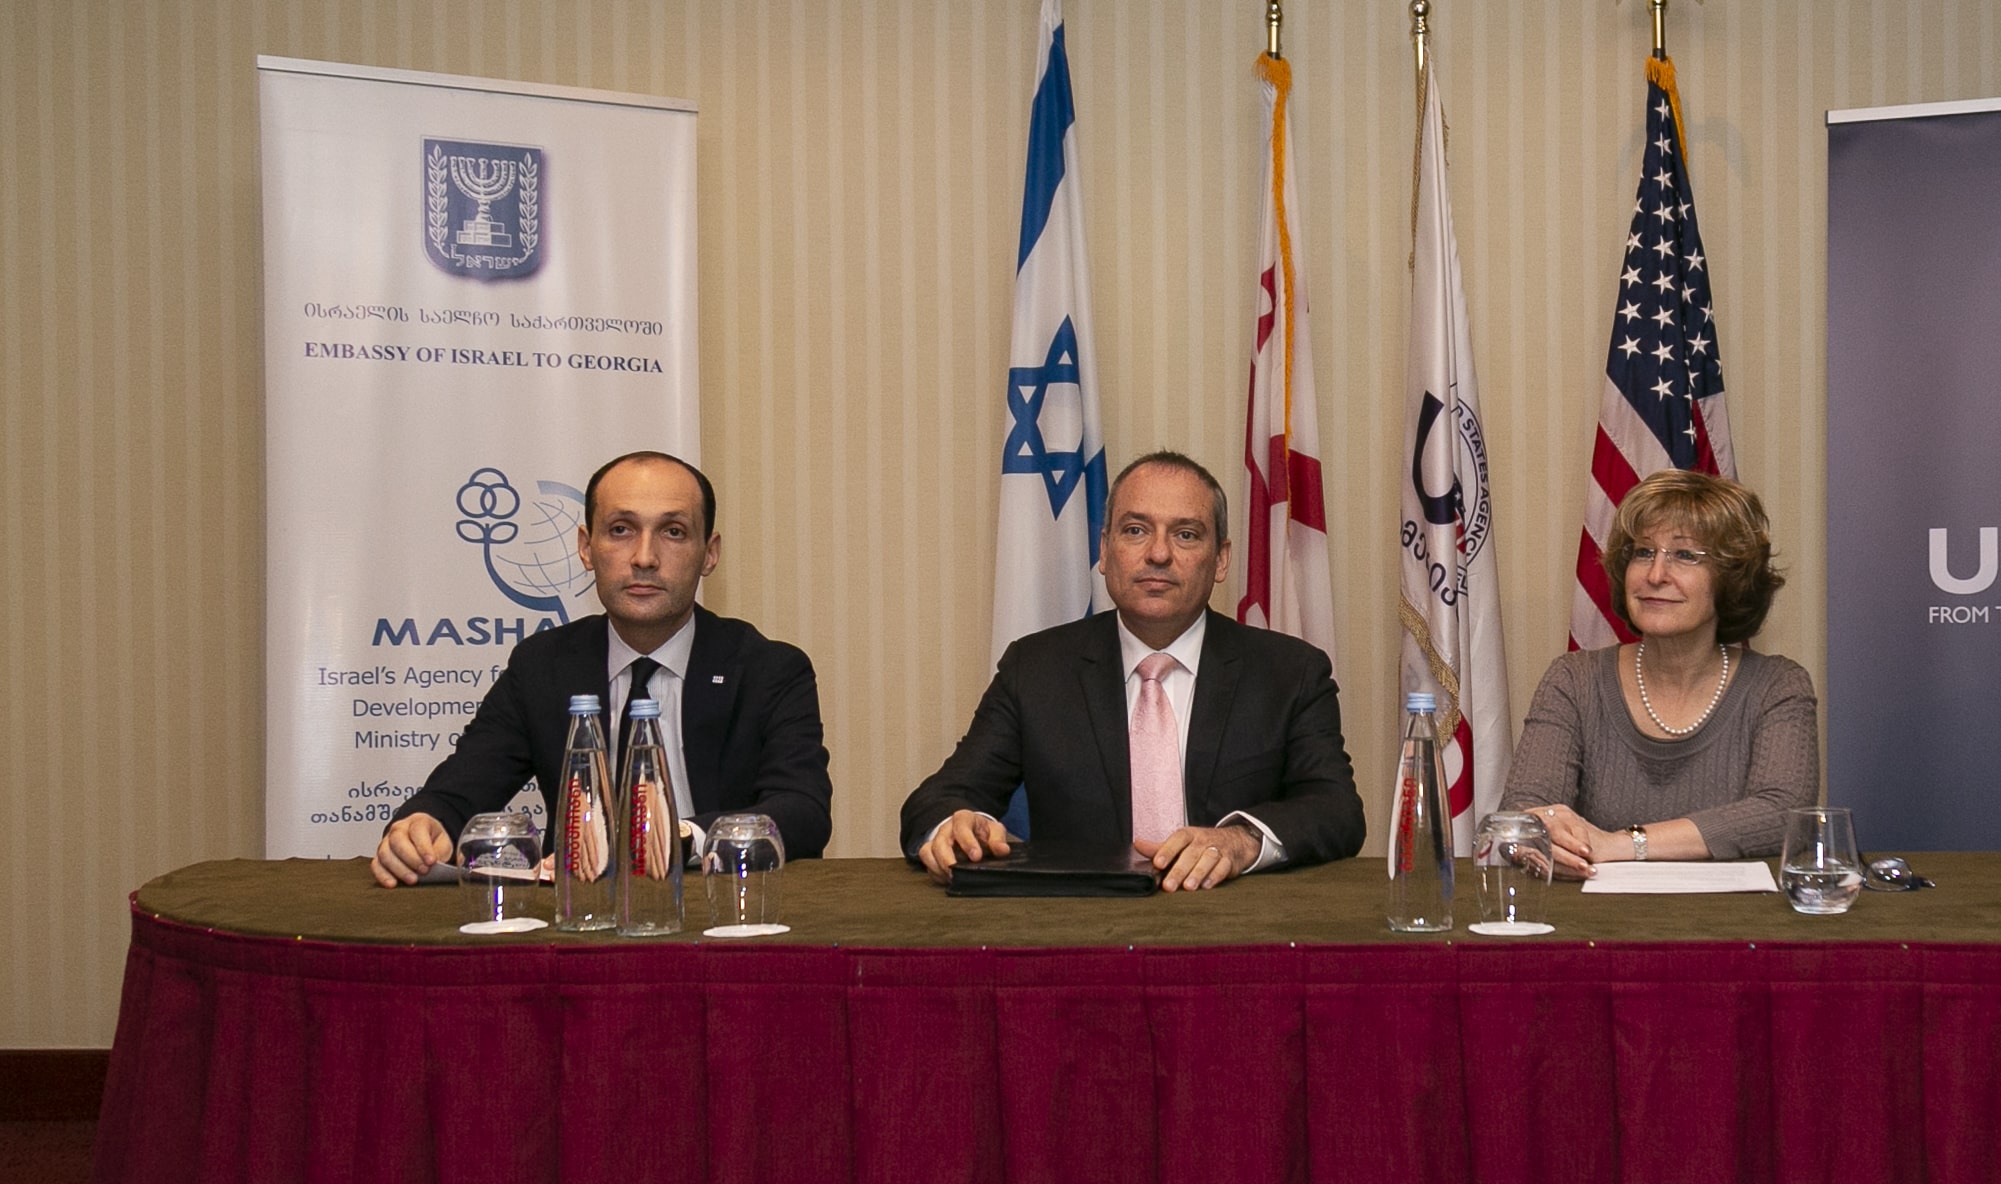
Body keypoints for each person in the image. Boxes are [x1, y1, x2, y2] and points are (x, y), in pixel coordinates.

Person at [900, 450, 1363, 891]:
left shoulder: (1290, 673)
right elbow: (940, 798)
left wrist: (1241, 841)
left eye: (1186, 534)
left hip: (1233, 923)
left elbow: (1336, 809)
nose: (1158, 553)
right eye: (1136, 530)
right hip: (1083, 925)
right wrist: (955, 827)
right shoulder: (1036, 669)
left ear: (1221, 559)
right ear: (1105, 549)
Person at [373, 450, 833, 884]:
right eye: (620, 530)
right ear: (586, 548)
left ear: (708, 553)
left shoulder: (768, 670)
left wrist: (675, 838)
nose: (645, 557)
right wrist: (427, 823)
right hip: (578, 911)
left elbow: (802, 811)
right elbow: (462, 788)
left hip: (719, 909)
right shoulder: (543, 666)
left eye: (673, 531)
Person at [1501, 470, 1819, 875]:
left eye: (1685, 556)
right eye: (1643, 552)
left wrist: (1622, 844)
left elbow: (1782, 815)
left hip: (1735, 915)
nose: (1655, 575)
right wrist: (1542, 834)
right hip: (1597, 912)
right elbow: (1522, 813)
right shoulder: (1574, 679)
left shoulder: (1779, 685)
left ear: (1731, 578)